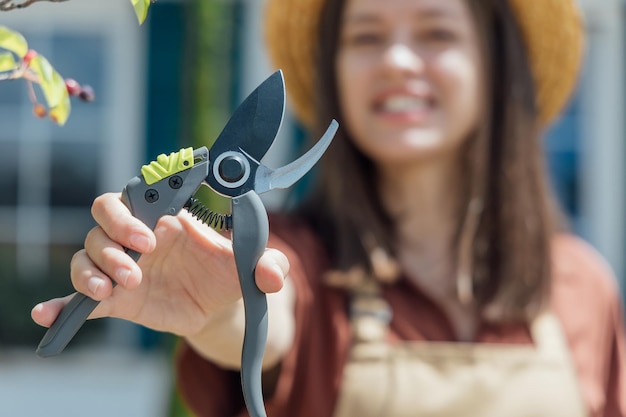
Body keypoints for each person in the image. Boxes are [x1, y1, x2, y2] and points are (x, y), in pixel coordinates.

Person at [32, 0, 626, 415]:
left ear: (494, 65)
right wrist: (217, 313)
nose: (396, 60)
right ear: (337, 72)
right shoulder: (299, 259)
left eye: (436, 32)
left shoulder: (581, 287)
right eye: (366, 36)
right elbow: (267, 308)